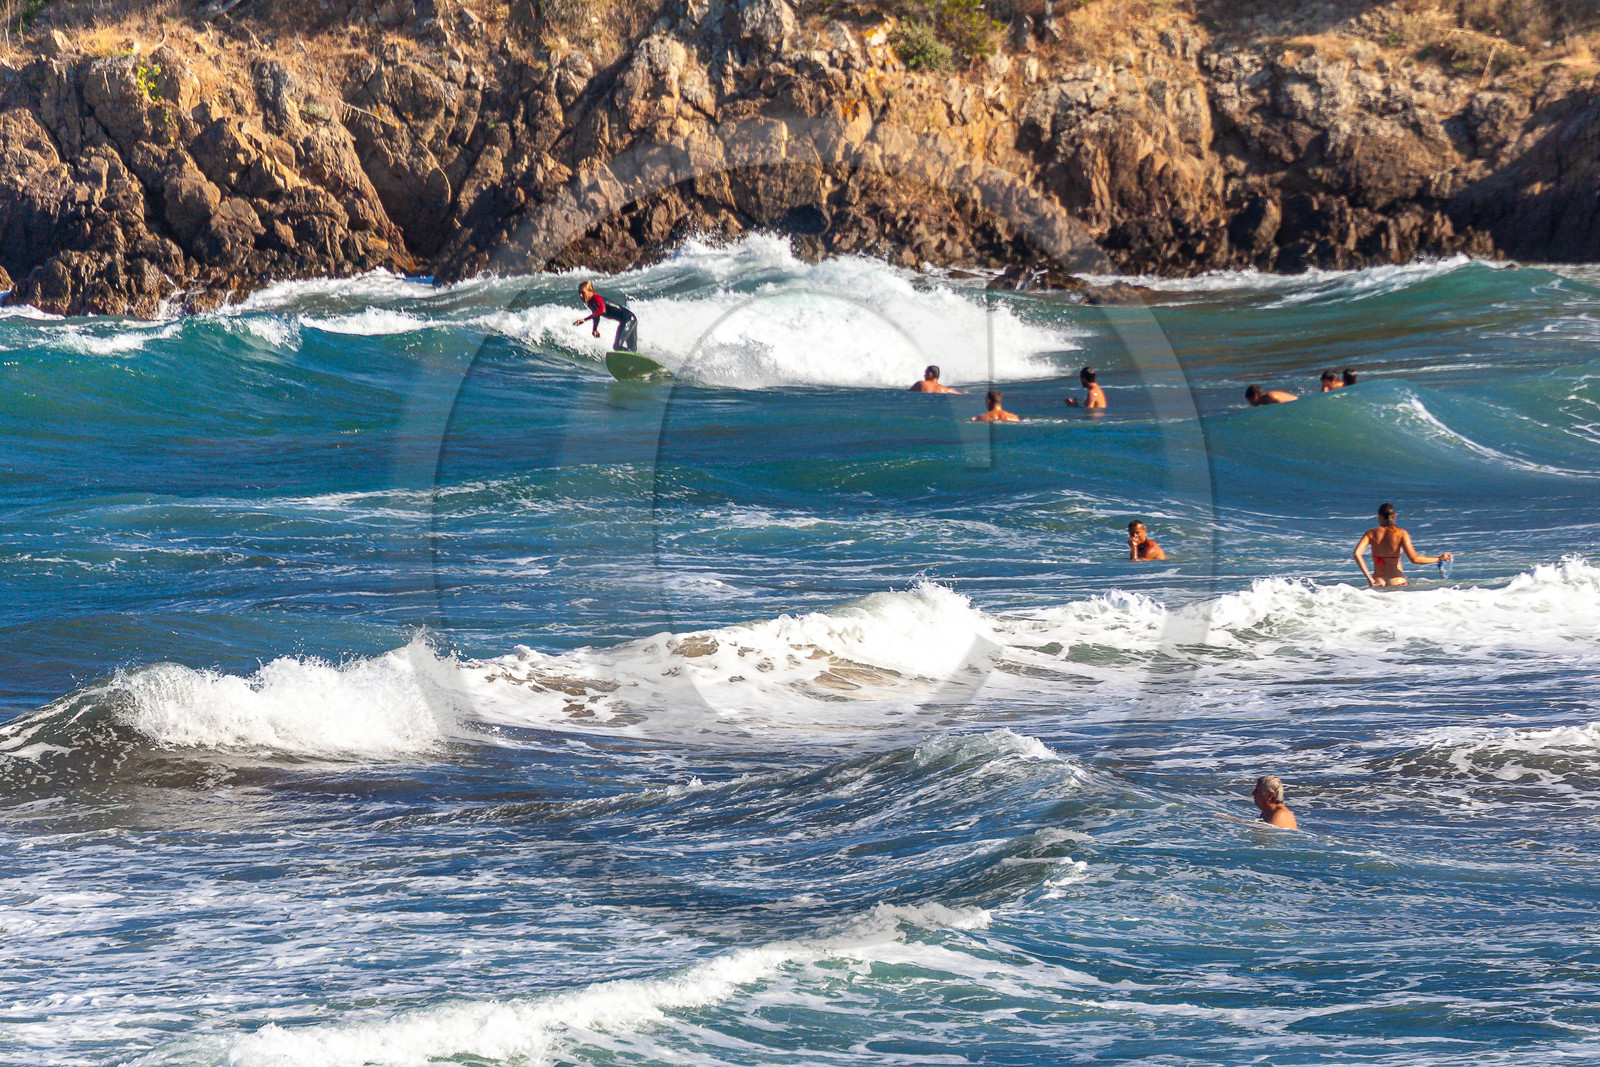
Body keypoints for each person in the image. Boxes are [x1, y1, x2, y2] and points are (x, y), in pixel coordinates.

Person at [1352, 501, 1451, 587]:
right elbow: (1414, 559)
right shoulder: (1401, 533)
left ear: (1379, 516)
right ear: (1394, 516)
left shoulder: (1370, 533)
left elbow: (1357, 553)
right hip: (1397, 581)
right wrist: (1438, 559)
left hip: (1378, 582)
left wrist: (1369, 578)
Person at [573, 280, 638, 352]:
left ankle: (631, 354)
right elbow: (596, 316)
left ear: (590, 291)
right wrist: (595, 329)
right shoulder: (591, 304)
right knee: (632, 349)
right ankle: (633, 356)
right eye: (579, 293)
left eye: (583, 293)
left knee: (617, 346)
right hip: (630, 319)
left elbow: (602, 310)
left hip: (628, 319)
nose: (580, 295)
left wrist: (585, 319)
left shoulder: (597, 298)